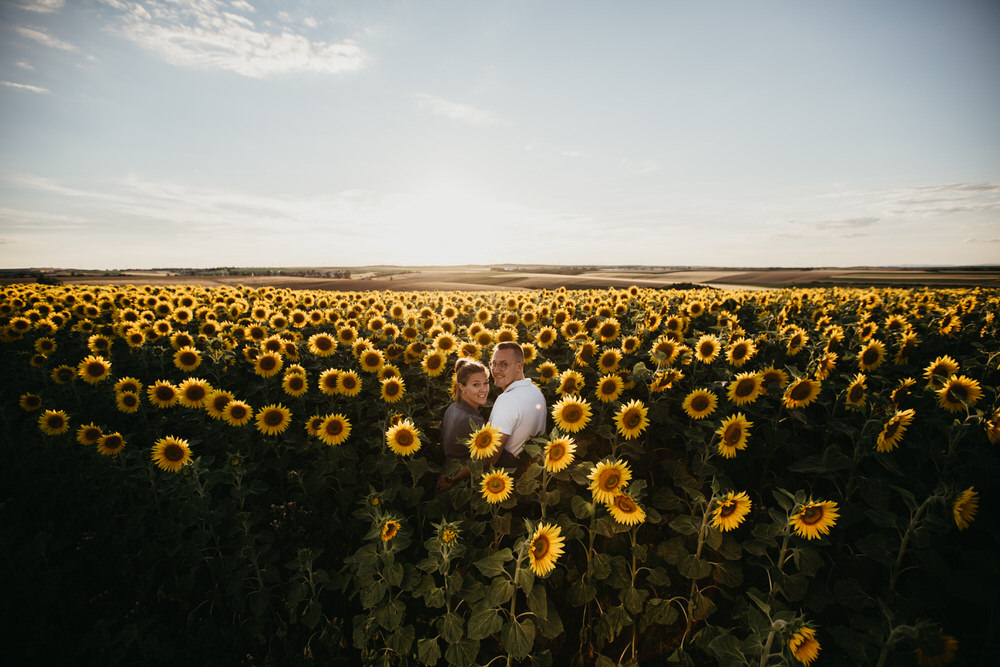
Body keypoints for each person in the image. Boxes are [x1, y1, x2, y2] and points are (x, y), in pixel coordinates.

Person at [488, 341, 547, 470]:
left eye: (503, 365)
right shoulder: (536, 391)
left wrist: (455, 476)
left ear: (519, 367)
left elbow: (491, 457)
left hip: (507, 479)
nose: (496, 370)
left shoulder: (507, 400)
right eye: (493, 364)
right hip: (531, 473)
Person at [436, 358, 490, 492]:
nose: (484, 389)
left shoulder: (452, 408)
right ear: (461, 387)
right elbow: (483, 462)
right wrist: (452, 478)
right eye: (476, 385)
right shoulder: (471, 421)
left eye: (486, 383)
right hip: (460, 489)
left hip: (448, 476)